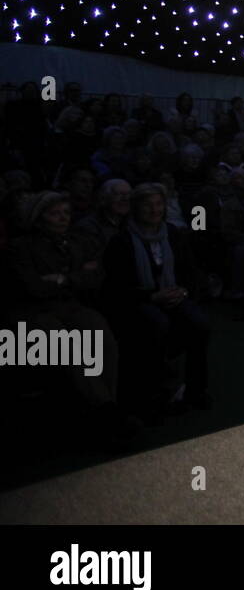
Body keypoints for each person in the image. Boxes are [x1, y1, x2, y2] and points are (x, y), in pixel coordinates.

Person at [4, 191, 134, 444]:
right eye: (55, 214)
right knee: (69, 346)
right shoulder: (20, 247)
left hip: (70, 306)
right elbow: (33, 288)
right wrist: (77, 276)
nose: (63, 218)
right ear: (39, 219)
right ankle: (108, 415)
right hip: (31, 312)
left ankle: (110, 406)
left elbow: (96, 277)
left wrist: (63, 278)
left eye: (65, 213)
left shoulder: (77, 241)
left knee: (101, 335)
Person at [102, 183, 212, 421]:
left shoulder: (172, 233)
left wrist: (183, 290)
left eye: (159, 204)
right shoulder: (121, 241)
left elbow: (189, 270)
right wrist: (151, 296)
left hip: (173, 295)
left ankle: (196, 389)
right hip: (139, 299)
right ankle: (155, 394)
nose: (154, 210)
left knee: (201, 324)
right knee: (157, 325)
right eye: (147, 205)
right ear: (135, 208)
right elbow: (116, 286)